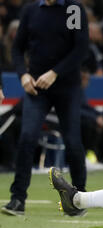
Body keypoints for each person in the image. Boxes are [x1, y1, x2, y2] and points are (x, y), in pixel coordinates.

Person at [1, 0, 89, 216]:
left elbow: (80, 49)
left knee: (72, 141)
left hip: (67, 86)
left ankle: (79, 197)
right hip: (36, 87)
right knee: (27, 138)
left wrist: (55, 72)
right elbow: (17, 47)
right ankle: (17, 199)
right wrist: (23, 74)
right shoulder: (31, 10)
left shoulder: (73, 9)